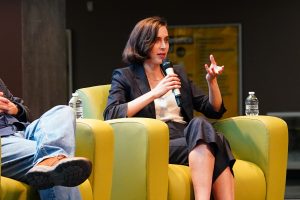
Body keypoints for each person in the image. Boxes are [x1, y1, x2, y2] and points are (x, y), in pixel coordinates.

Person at [104, 16, 235, 200]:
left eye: (166, 40)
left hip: (188, 135)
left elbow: (213, 109)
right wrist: (155, 93)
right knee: (216, 139)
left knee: (202, 127)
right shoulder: (125, 76)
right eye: (157, 40)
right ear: (142, 42)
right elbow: (111, 114)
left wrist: (212, 82)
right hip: (157, 141)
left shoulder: (176, 72)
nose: (164, 46)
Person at [0, 78, 92, 200]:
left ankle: (50, 159)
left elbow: (25, 111)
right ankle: (51, 160)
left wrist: (16, 108)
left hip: (23, 131)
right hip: (3, 140)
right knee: (61, 165)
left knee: (63, 110)